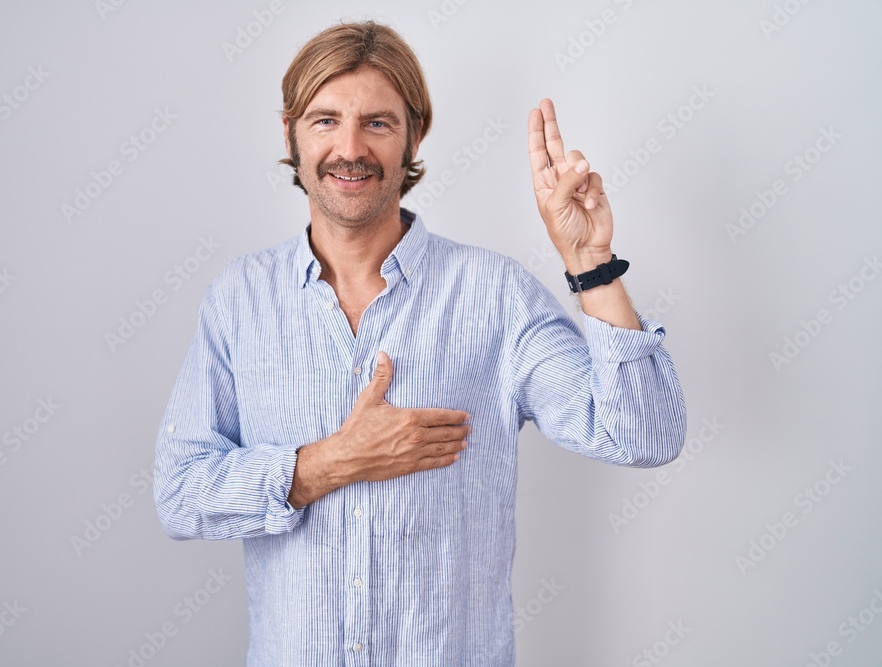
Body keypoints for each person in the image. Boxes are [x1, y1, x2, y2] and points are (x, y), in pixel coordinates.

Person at [153, 19, 686, 666]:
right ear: (290, 133)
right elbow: (180, 495)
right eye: (325, 120)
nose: (350, 148)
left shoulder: (496, 295)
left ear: (414, 134)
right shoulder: (239, 299)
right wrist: (332, 462)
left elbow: (643, 436)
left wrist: (590, 262)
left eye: (377, 122)